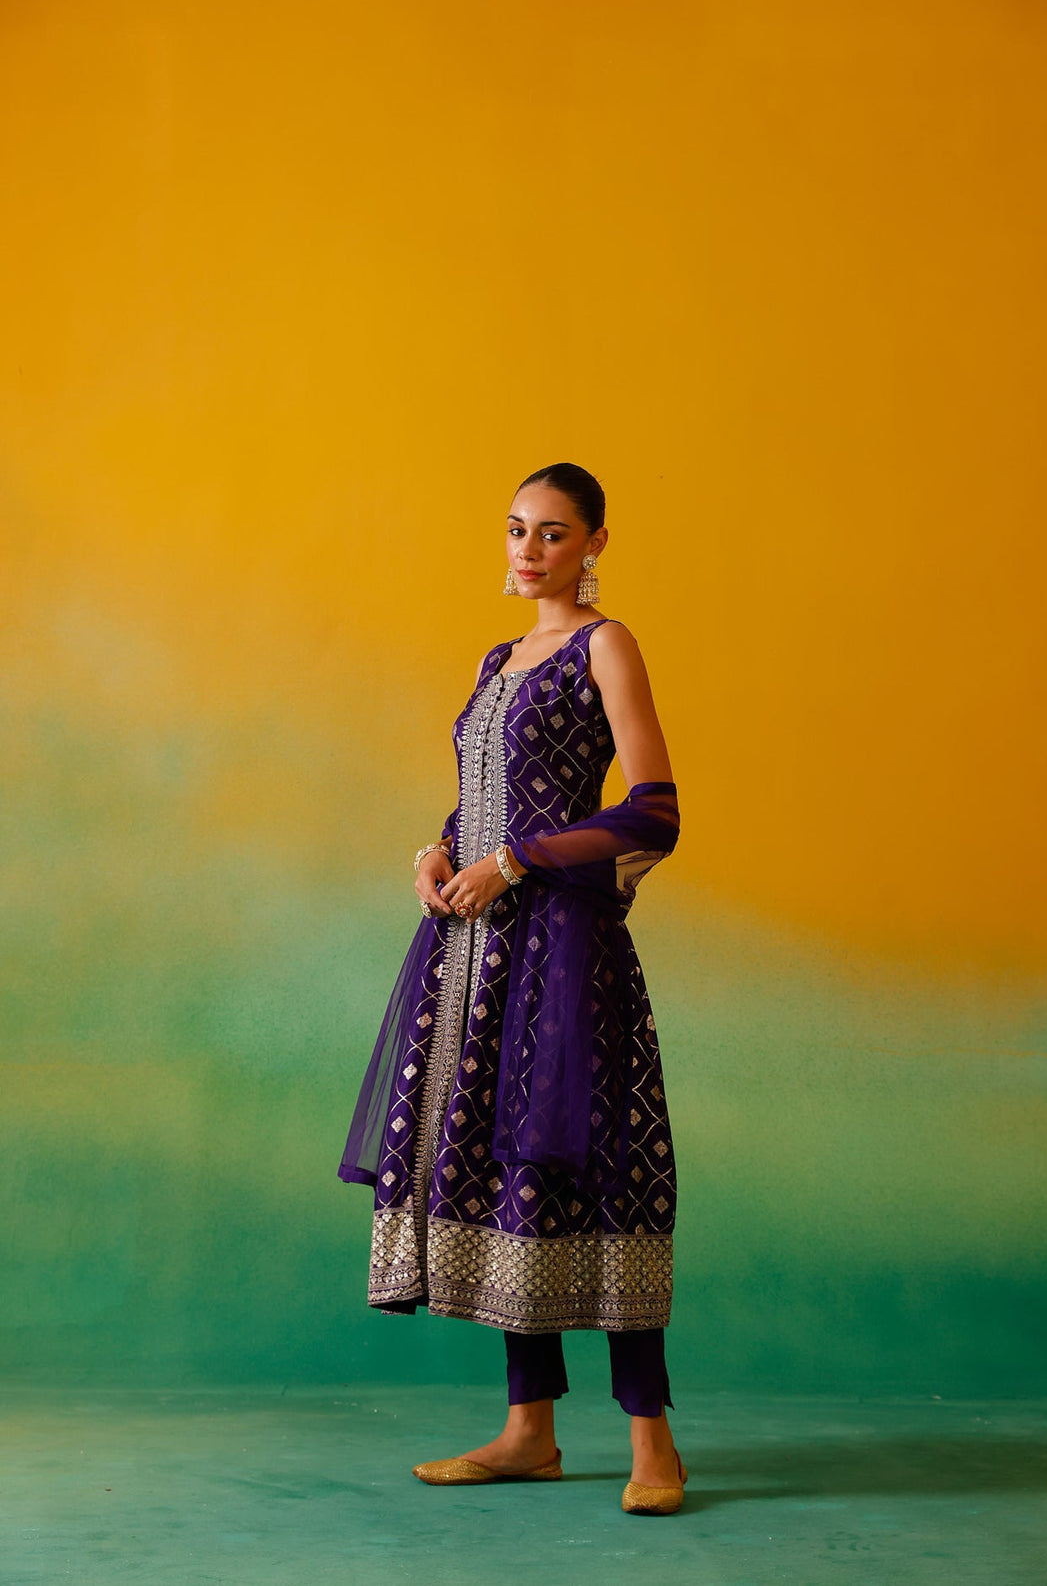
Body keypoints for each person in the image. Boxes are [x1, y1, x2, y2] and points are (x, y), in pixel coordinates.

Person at [337, 462, 687, 1515]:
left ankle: (654, 1444)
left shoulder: (604, 644)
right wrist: (438, 851)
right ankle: (529, 1430)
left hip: (564, 949)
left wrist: (518, 860)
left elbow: (655, 810)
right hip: (473, 951)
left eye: (552, 532)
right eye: (516, 529)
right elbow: (481, 797)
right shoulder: (499, 658)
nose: (528, 550)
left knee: (599, 1166)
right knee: (504, 1170)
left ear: (595, 543)